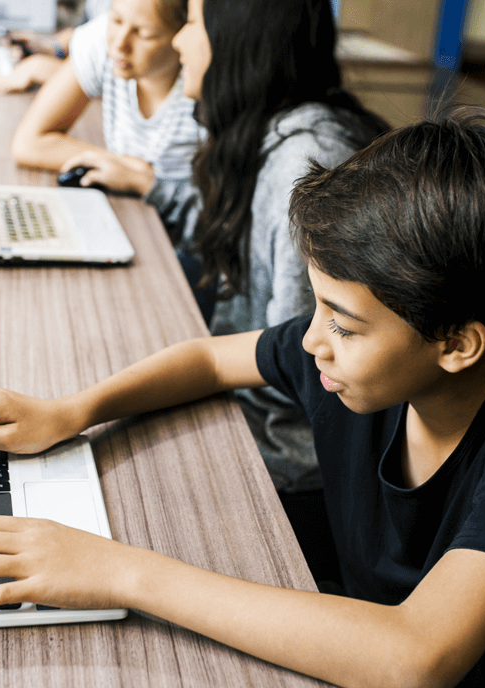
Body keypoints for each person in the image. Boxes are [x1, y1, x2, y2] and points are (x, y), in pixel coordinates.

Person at [0, 109, 485, 687]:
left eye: (342, 321)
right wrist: (71, 412)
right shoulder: (358, 360)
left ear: (457, 343)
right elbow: (210, 360)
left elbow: (416, 655)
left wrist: (118, 569)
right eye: (318, 305)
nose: (312, 341)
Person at [159, 0, 389, 501]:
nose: (177, 41)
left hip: (282, 463)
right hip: (242, 408)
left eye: (193, 23)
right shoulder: (265, 134)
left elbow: (304, 372)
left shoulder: (304, 164)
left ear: (239, 38)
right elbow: (226, 239)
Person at [6, 0, 203, 227]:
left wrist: (143, 181)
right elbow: (28, 143)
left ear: (184, 34)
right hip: (131, 215)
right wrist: (125, 166)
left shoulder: (202, 85)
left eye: (145, 34)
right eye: (116, 20)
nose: (119, 44)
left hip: (183, 235)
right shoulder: (103, 42)